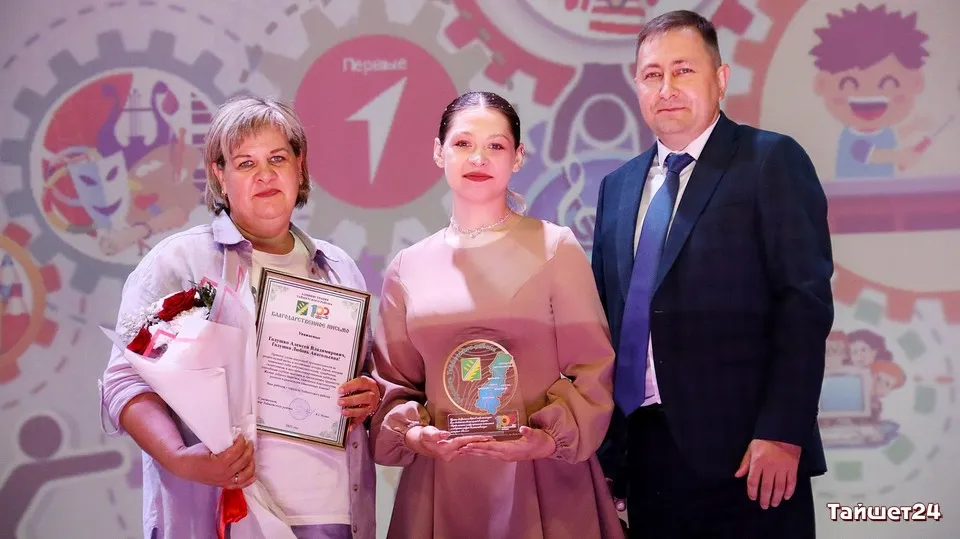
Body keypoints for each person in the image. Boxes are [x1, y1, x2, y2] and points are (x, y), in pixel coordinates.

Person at [591, 10, 833, 538]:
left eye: (683, 70)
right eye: (652, 75)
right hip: (644, 457)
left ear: (720, 79)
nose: (667, 88)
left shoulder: (769, 161)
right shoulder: (617, 187)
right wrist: (608, 455)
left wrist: (782, 430)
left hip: (750, 456)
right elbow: (606, 322)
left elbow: (804, 306)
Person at [99, 95, 379, 539]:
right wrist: (178, 458)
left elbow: (367, 377)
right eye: (246, 163)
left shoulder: (339, 267)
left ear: (300, 166)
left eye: (277, 159)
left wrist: (370, 394)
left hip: (330, 511)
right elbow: (125, 381)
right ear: (220, 175)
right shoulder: (180, 261)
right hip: (222, 511)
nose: (265, 175)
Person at [369, 91, 624, 539]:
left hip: (542, 482)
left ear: (518, 157)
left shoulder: (554, 248)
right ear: (438, 152)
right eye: (463, 143)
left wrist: (548, 438)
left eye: (496, 145)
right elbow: (393, 385)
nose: (478, 158)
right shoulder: (407, 267)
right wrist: (413, 435)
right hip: (442, 484)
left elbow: (593, 368)